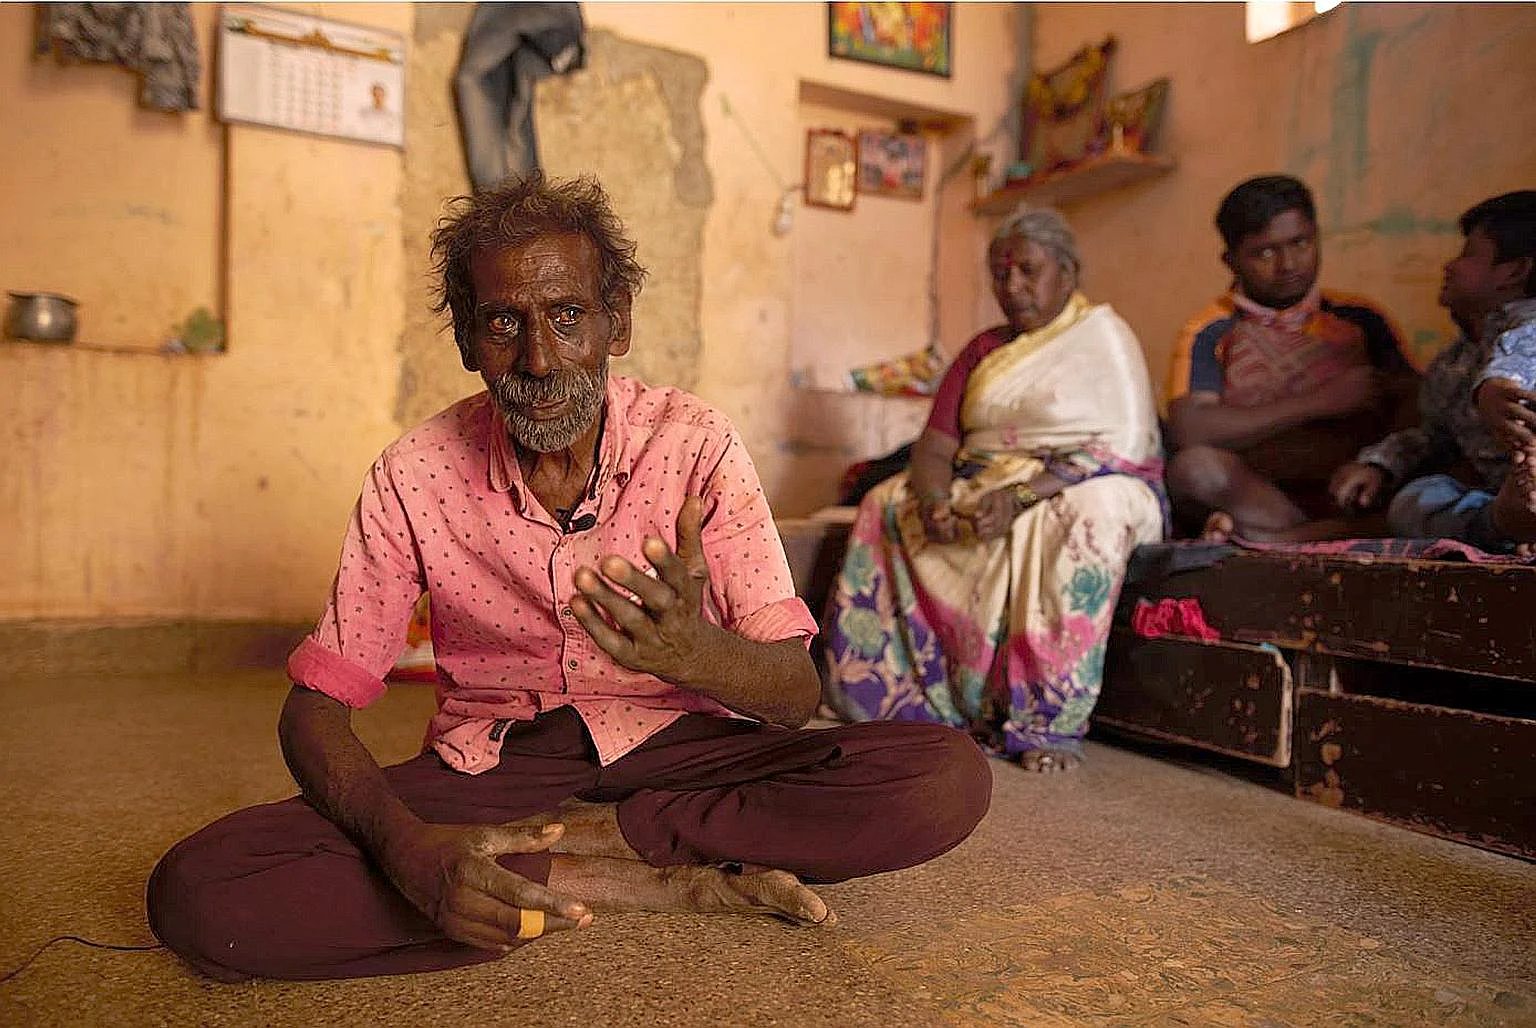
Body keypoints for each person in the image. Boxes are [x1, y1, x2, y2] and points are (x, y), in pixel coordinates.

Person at [145, 174, 991, 982]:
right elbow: (314, 707)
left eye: (567, 316)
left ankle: (573, 856)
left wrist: (694, 653)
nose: (541, 360)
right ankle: (633, 877)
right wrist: (409, 852)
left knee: (944, 778)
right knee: (199, 893)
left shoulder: (693, 444)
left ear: (614, 323)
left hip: (681, 753)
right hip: (494, 768)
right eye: (504, 323)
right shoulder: (413, 474)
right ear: (468, 340)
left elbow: (791, 690)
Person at [820, 208, 1166, 773]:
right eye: (1001, 274)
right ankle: (893, 696)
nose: (1013, 287)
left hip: (1090, 482)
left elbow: (1121, 446)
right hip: (988, 482)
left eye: (1029, 271)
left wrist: (1022, 498)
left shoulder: (1103, 339)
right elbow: (933, 449)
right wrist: (933, 502)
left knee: (1078, 515)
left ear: (1069, 273)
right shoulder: (983, 351)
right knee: (884, 502)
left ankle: (1046, 722)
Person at [1164, 174, 1419, 541]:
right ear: (1230, 260)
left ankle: (1273, 539)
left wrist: (1374, 464)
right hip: (1261, 494)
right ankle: (1312, 536)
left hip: (1354, 488)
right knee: (1193, 468)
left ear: (1316, 236)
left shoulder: (1360, 319)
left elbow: (1415, 407)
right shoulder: (1211, 330)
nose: (1287, 264)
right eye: (1264, 252)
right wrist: (1322, 401)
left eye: (1300, 243)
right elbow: (1192, 429)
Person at [1330, 191, 1536, 554]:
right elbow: (1433, 436)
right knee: (1417, 500)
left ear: (1515, 271)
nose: (1449, 266)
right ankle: (1505, 522)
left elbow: (1521, 350)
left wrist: (1494, 385)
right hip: (1500, 496)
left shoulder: (1527, 324)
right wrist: (1379, 464)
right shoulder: (1452, 362)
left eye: (1468, 254)